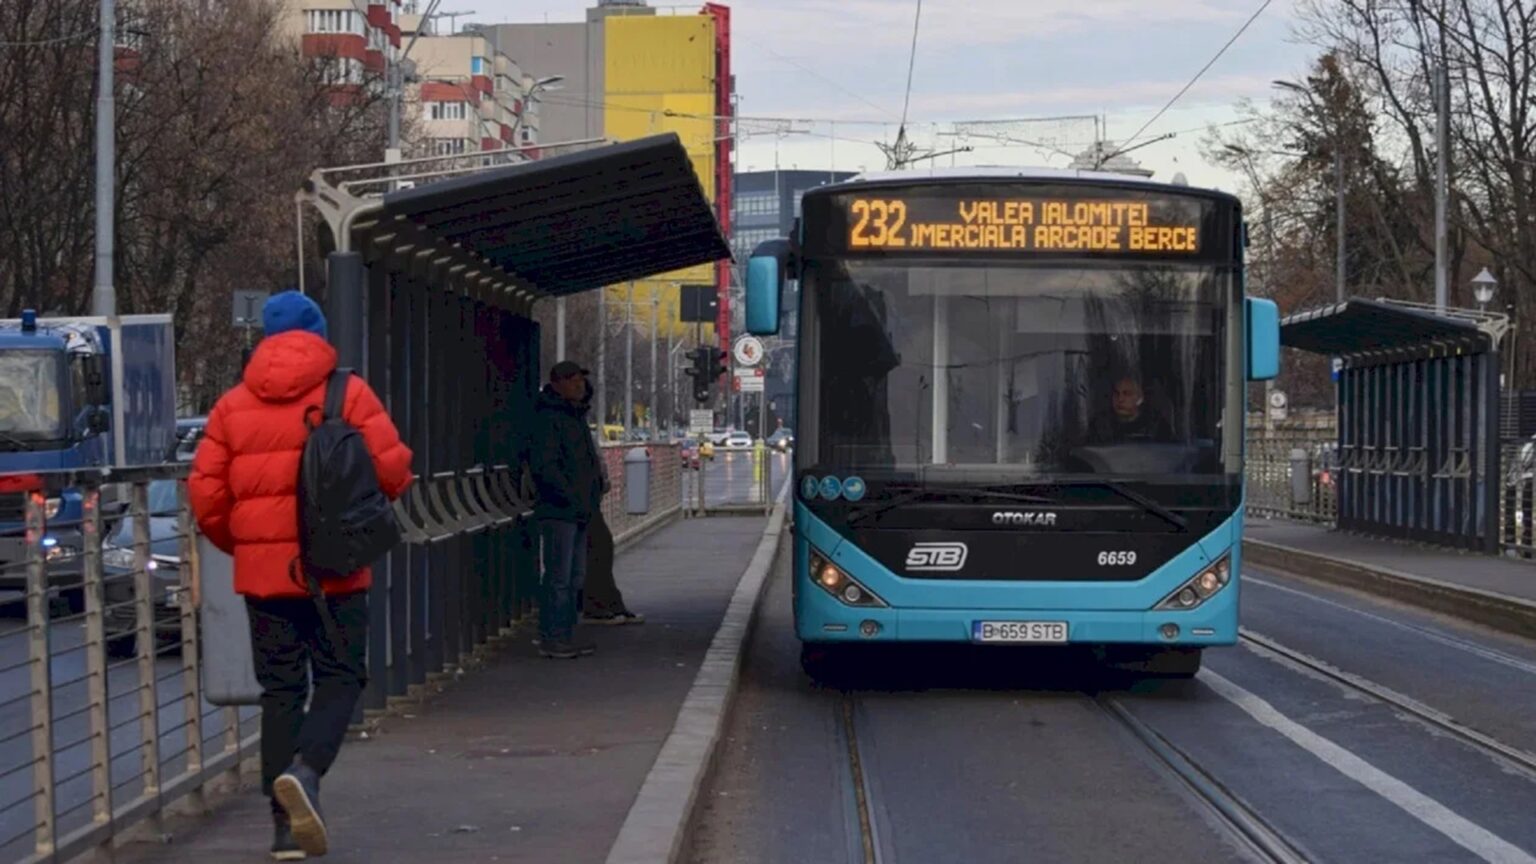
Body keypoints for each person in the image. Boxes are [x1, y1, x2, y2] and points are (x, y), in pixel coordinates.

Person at [188, 291, 413, 860]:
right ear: (318, 334)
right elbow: (393, 471)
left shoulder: (232, 405)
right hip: (336, 570)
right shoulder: (348, 393)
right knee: (341, 678)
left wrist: (246, 547)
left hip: (265, 580)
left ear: (264, 337)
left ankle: (284, 830)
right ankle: (307, 771)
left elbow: (207, 495)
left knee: (281, 692)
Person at [529, 360, 605, 659]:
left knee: (574, 576)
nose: (580, 386)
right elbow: (545, 466)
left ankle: (566, 635)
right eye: (574, 381)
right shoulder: (550, 418)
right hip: (559, 509)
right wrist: (571, 495)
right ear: (558, 383)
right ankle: (554, 637)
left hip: (578, 508)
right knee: (559, 577)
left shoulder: (574, 415)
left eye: (581, 381)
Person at [578, 379, 645, 626]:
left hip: (586, 496)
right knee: (596, 549)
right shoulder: (566, 421)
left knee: (598, 549)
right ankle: (596, 606)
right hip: (575, 498)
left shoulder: (577, 420)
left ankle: (607, 603)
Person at [1089, 374, 1173, 444]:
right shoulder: (1099, 425)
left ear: (1140, 398)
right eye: (1116, 394)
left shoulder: (1156, 425)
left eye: (1127, 394)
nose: (1120, 399)